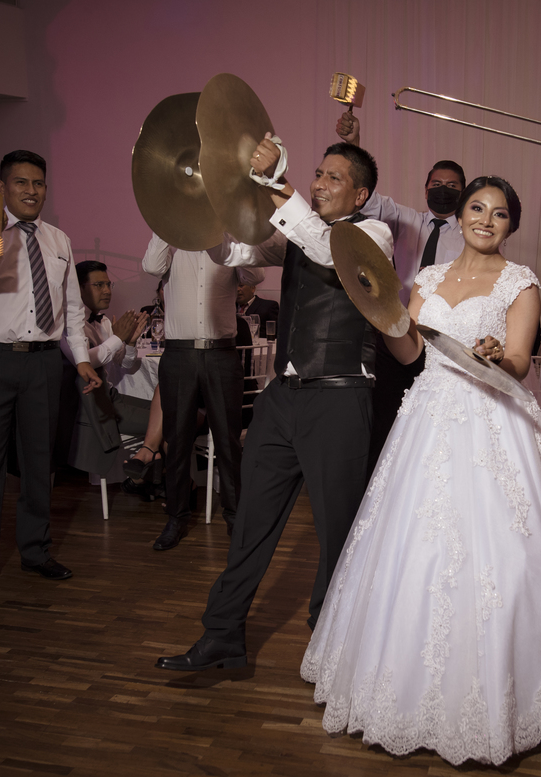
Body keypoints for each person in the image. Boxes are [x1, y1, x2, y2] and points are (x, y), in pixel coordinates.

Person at [302, 176, 541, 765]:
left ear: (512, 224)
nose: (486, 219)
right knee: (415, 549)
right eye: (477, 208)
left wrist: (494, 356)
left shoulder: (520, 282)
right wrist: (384, 314)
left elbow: (521, 363)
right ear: (459, 217)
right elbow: (411, 354)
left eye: (500, 213)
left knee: (510, 555)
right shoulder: (428, 280)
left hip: (495, 413)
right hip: (429, 414)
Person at [155, 136, 392, 673]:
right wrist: (207, 207)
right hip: (281, 400)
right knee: (251, 524)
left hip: (339, 399)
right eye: (317, 174)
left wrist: (280, 186)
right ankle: (222, 639)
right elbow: (234, 252)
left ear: (361, 195)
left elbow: (328, 251)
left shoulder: (371, 234)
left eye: (334, 178)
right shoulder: (295, 233)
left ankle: (330, 648)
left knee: (338, 533)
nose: (320, 183)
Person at [0, 150, 101, 609]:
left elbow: (73, 309)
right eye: (21, 183)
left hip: (42, 365)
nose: (32, 191)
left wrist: (80, 360)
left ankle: (35, 552)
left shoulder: (59, 240)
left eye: (39, 183)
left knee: (39, 464)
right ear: (2, 189)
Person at [336, 109, 467, 469]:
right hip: (393, 332)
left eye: (453, 186)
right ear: (425, 189)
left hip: (441, 341)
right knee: (386, 417)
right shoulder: (404, 218)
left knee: (433, 423)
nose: (444, 190)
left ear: (464, 192)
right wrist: (354, 143)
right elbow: (368, 195)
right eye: (437, 184)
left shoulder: (471, 237)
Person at [141, 234, 263, 547]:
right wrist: (165, 229)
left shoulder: (228, 244)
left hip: (221, 353)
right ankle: (176, 517)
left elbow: (256, 274)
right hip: (179, 354)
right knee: (177, 440)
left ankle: (235, 518)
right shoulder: (171, 244)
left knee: (227, 442)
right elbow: (150, 266)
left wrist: (231, 234)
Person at [59, 261, 153, 480]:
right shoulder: (67, 323)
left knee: (170, 412)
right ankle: (153, 473)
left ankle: (150, 468)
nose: (107, 291)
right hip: (92, 407)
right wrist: (117, 338)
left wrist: (129, 342)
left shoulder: (103, 323)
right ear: (79, 289)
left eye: (109, 284)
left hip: (110, 397)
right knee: (170, 420)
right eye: (99, 285)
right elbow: (82, 362)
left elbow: (125, 364)